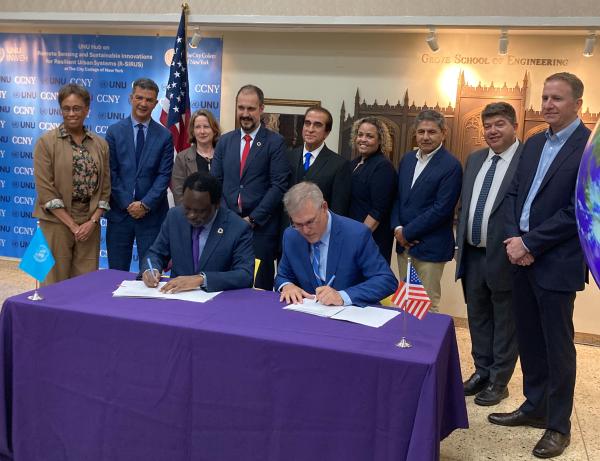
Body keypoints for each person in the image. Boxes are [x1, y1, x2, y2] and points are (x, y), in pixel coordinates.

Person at [488, 72, 590, 459]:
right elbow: (514, 194)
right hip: (521, 258)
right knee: (529, 340)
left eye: (557, 99)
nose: (547, 104)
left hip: (556, 263)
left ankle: (558, 425)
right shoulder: (531, 144)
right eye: (545, 97)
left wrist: (531, 242)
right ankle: (534, 407)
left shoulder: (589, 149)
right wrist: (516, 241)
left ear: (577, 104)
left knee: (557, 347)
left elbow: (579, 209)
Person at [455, 102, 522, 406]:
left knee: (505, 321)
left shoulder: (526, 160)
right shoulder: (475, 158)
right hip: (472, 254)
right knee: (478, 316)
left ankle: (499, 380)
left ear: (514, 126)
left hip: (506, 257)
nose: (492, 131)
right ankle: (482, 371)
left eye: (499, 124)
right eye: (488, 125)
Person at [211, 84, 290, 290]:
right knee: (224, 284)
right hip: (226, 225)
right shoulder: (224, 142)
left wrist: (252, 219)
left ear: (261, 109)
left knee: (258, 288)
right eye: (241, 108)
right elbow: (215, 183)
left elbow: (279, 186)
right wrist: (228, 217)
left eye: (251, 109)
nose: (245, 114)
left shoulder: (275, 142)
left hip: (260, 230)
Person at [33, 83, 110, 285]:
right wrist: (74, 226)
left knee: (84, 284)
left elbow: (105, 188)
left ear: (87, 110)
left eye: (77, 108)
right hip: (56, 222)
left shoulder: (99, 144)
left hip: (89, 222)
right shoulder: (46, 142)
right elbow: (45, 191)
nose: (71, 113)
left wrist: (92, 222)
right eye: (66, 108)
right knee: (53, 281)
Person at [275, 182, 397, 307]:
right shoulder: (291, 236)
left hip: (351, 316)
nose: (305, 230)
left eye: (310, 222)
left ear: (324, 207)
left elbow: (386, 280)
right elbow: (283, 276)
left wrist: (343, 296)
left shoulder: (356, 234)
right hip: (310, 316)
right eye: (298, 224)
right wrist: (287, 286)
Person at [391, 109, 462, 312]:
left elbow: (442, 209)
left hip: (430, 247)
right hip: (404, 246)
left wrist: (407, 232)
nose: (425, 137)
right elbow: (397, 197)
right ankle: (404, 341)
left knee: (427, 306)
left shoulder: (451, 166)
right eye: (421, 131)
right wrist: (397, 228)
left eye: (431, 132)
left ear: (443, 133)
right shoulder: (407, 160)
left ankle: (424, 344)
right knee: (405, 302)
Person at [140, 171, 254, 293]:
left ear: (216, 204)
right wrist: (150, 270)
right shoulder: (174, 217)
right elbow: (156, 253)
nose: (191, 215)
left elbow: (245, 275)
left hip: (217, 301)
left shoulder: (238, 227)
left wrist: (201, 279)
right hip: (176, 297)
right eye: (187, 208)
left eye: (200, 211)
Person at [105, 77, 174, 271]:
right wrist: (128, 204)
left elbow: (163, 175)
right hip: (120, 214)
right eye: (139, 97)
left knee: (151, 272)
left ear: (156, 102)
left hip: (151, 216)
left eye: (149, 99)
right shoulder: (114, 132)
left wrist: (144, 205)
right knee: (115, 273)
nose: (143, 103)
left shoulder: (165, 136)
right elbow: (111, 172)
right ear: (131, 98)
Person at [348, 117, 397, 262]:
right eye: (360, 134)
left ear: (380, 140)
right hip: (353, 234)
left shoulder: (383, 167)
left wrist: (358, 239)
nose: (363, 139)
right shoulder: (354, 163)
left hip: (370, 239)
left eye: (369, 136)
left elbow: (378, 210)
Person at [287, 106, 351, 216]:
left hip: (318, 231)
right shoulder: (288, 156)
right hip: (286, 230)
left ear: (327, 132)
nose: (310, 129)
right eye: (307, 123)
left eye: (317, 125)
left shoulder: (339, 165)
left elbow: (338, 210)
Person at [171, 109, 221, 205]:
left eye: (206, 127)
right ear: (193, 131)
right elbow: (179, 195)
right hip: (193, 215)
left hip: (221, 215)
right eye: (197, 127)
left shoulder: (224, 155)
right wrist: (193, 215)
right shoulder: (182, 158)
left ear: (214, 130)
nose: (202, 131)